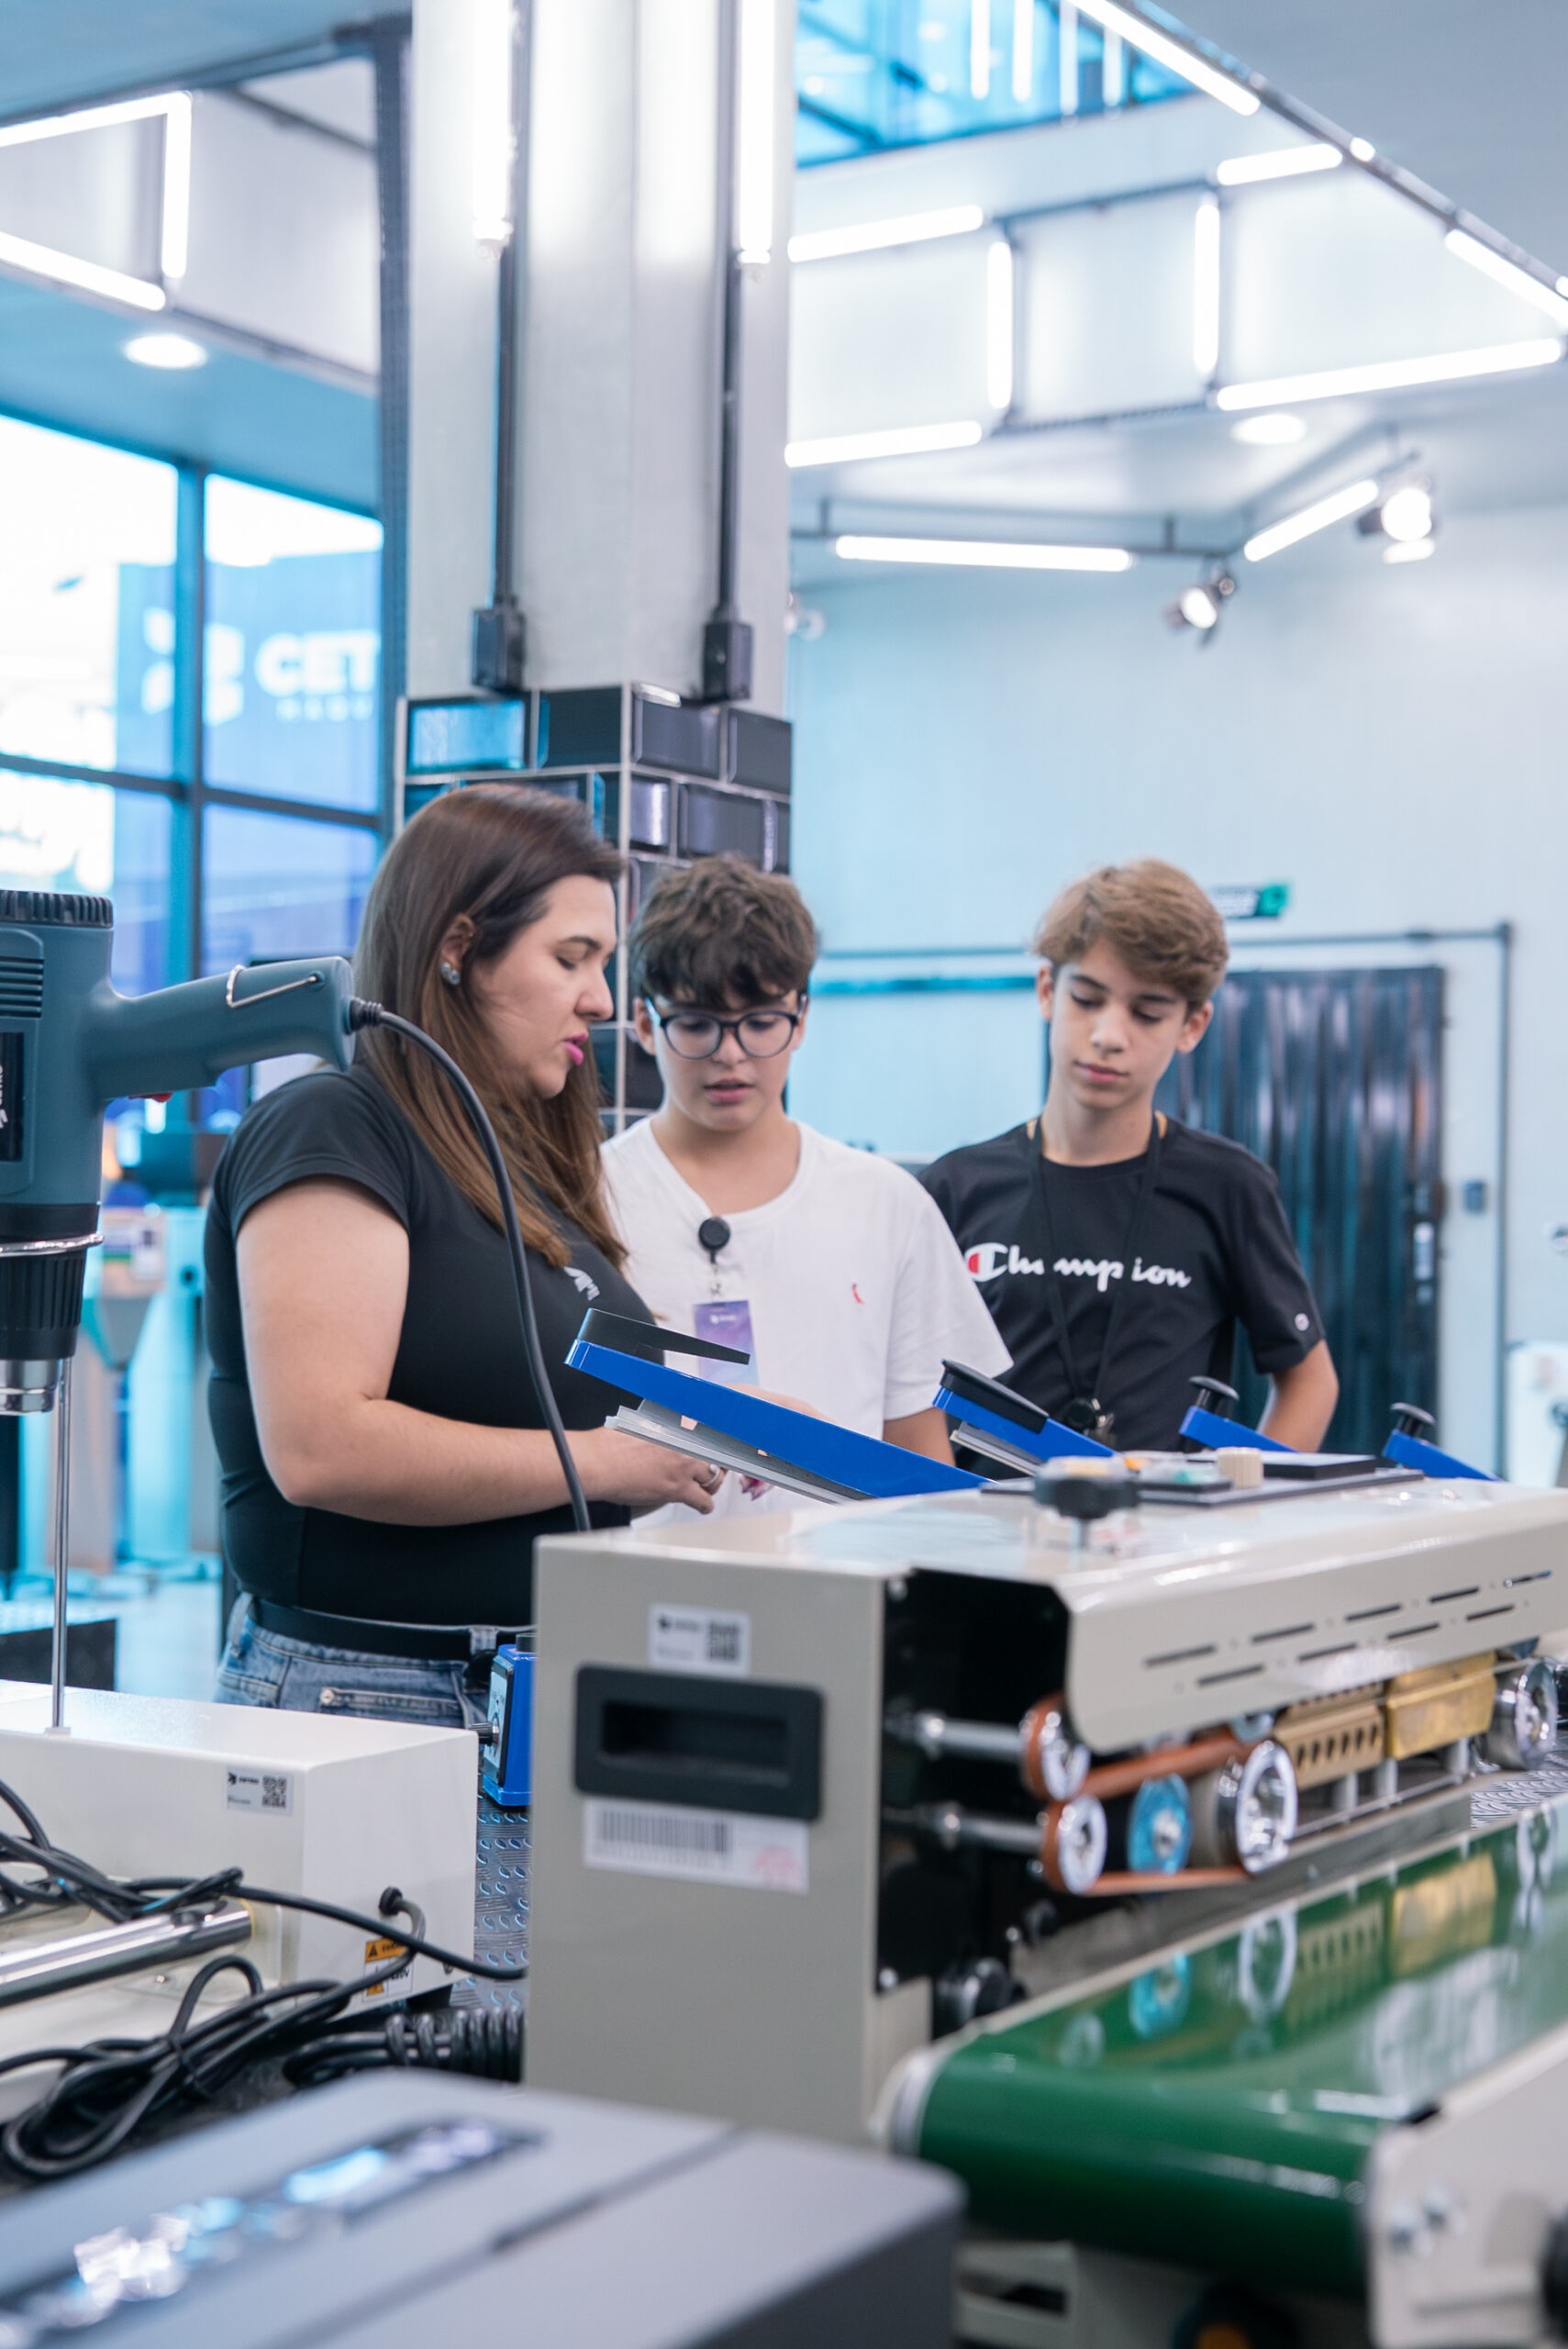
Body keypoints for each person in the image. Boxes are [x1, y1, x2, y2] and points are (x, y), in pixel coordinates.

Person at [206, 786, 722, 1726]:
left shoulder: (511, 1157)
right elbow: (323, 1448)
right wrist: (604, 1463)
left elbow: (534, 1412)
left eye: (603, 963)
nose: (601, 1001)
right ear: (457, 949)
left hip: (533, 1683)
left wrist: (711, 1429)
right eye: (571, 958)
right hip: (371, 1692)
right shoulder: (335, 1126)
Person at [600, 855, 1009, 1511]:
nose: (731, 1055)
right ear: (645, 1023)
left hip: (839, 1589)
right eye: (698, 1024)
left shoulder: (886, 1203)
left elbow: (916, 1456)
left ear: (803, 1017)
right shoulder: (588, 1200)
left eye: (761, 1022)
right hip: (638, 1589)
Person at [921, 859, 1339, 1453]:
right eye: (1087, 999)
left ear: (1191, 1025)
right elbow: (905, 1386)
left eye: (1146, 1013)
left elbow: (1308, 1380)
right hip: (984, 1534)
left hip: (1164, 1537)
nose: (1109, 1035)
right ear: (1047, 991)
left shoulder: (1226, 1186)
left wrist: (1241, 1513)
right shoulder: (955, 1186)